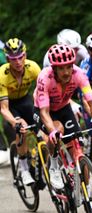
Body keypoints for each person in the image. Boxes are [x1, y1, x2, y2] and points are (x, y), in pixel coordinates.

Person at [33, 44, 92, 210]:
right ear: (54, 68)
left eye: (69, 66)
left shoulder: (79, 74)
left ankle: (88, 199)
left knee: (78, 151)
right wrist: (52, 131)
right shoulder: (44, 77)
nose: (67, 72)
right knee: (58, 130)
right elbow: (44, 112)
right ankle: (54, 164)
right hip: (44, 111)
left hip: (63, 108)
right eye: (61, 69)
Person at [0, 38, 41, 184]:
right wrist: (14, 122)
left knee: (44, 131)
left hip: (25, 100)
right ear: (7, 59)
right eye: (13, 59)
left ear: (25, 55)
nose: (18, 62)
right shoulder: (2, 75)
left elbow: (44, 91)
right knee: (21, 129)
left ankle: (43, 165)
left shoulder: (33, 67)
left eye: (20, 57)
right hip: (10, 105)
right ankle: (23, 169)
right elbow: (3, 108)